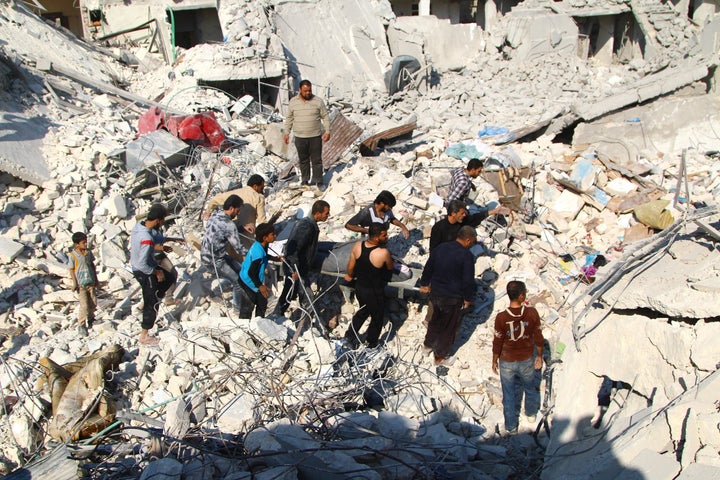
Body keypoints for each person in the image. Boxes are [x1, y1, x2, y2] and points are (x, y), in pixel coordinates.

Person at [418, 226, 477, 365]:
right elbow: (468, 281)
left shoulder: (442, 248)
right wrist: (468, 299)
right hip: (452, 298)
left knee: (434, 321)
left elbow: (428, 266)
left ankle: (427, 346)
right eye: (473, 241)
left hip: (435, 293)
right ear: (468, 240)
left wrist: (425, 283)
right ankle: (440, 357)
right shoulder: (466, 256)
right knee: (449, 328)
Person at [491, 280, 544, 434]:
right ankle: (531, 414)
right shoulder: (532, 313)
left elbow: (498, 340)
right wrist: (539, 356)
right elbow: (538, 338)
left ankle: (511, 426)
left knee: (508, 393)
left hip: (506, 360)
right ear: (521, 296)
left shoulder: (501, 317)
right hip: (526, 358)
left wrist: (494, 360)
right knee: (530, 387)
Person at [273, 200, 330, 317]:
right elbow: (293, 249)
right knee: (304, 296)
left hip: (298, 269)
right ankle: (307, 321)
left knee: (290, 293)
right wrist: (295, 270)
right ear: (318, 213)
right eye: (326, 213)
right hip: (295, 269)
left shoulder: (309, 224)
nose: (328, 216)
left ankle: (278, 315)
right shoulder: (306, 226)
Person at [130, 204, 178, 345]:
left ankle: (156, 295)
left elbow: (157, 237)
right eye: (163, 220)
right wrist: (156, 272)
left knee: (169, 276)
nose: (163, 222)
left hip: (147, 265)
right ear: (158, 220)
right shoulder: (146, 237)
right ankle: (144, 336)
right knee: (152, 301)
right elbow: (142, 263)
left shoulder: (141, 226)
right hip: (143, 271)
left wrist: (174, 240)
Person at [343, 223, 394, 349]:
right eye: (384, 235)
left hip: (360, 288)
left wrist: (349, 276)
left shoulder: (357, 245)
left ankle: (349, 336)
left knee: (362, 312)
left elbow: (350, 265)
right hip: (374, 291)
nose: (387, 237)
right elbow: (390, 268)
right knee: (377, 318)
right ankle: (371, 343)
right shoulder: (383, 252)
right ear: (377, 238)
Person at [201, 195, 247, 314]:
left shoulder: (215, 216)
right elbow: (239, 249)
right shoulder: (229, 225)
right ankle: (238, 310)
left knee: (239, 270)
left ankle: (215, 292)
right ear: (231, 208)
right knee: (238, 282)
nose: (238, 214)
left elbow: (223, 231)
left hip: (206, 256)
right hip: (215, 261)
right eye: (237, 210)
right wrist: (255, 252)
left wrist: (240, 228)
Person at [283, 80, 331, 187]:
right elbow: (289, 118)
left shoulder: (318, 101)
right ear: (299, 90)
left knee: (316, 160)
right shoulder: (293, 102)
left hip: (315, 136)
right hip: (300, 137)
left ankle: (318, 180)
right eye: (305, 91)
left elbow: (325, 117)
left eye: (309, 91)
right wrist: (287, 133)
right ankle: (305, 180)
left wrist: (328, 131)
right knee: (303, 160)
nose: (307, 93)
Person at [429, 199, 509, 252]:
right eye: (462, 213)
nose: (464, 215)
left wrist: (494, 211)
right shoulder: (438, 228)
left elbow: (477, 218)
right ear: (453, 214)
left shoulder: (462, 221)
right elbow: (433, 250)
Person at [238, 223, 281, 319]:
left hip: (253, 280)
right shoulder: (258, 251)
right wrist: (260, 286)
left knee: (262, 302)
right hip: (248, 281)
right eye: (272, 234)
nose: (275, 236)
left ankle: (259, 323)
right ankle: (244, 326)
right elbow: (251, 272)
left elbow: (265, 256)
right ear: (265, 237)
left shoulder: (262, 245)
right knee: (248, 305)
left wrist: (275, 258)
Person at [203, 174, 268, 231]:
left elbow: (214, 200)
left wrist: (208, 212)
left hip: (231, 233)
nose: (262, 191)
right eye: (261, 188)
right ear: (255, 186)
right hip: (247, 235)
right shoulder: (259, 198)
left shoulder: (235, 192)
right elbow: (262, 221)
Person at [344, 190, 410, 239]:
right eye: (389, 206)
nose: (390, 208)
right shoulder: (367, 212)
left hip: (382, 239)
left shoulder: (387, 211)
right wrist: (368, 231)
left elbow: (392, 219)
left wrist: (403, 227)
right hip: (369, 241)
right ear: (382, 203)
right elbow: (348, 225)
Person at [68, 232, 98, 337]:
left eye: (86, 242)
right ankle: (81, 325)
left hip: (90, 282)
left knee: (93, 302)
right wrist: (74, 283)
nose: (86, 244)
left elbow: (92, 266)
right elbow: (71, 270)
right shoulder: (73, 256)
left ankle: (91, 319)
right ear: (77, 244)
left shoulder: (88, 253)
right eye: (83, 242)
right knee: (84, 305)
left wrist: (96, 279)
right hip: (81, 285)